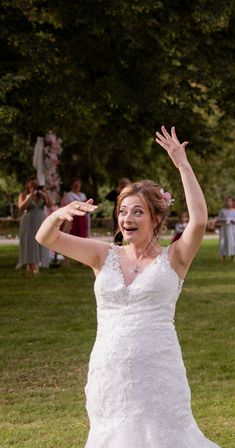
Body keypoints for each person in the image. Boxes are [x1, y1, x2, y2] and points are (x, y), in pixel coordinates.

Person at [35, 126, 219, 447]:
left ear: (155, 218)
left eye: (137, 212)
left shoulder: (175, 257)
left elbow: (199, 221)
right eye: (122, 211)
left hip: (158, 371)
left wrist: (182, 164)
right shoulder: (101, 254)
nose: (127, 218)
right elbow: (46, 238)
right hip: (109, 370)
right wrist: (58, 214)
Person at [16, 178, 53, 273]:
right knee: (30, 241)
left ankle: (38, 263)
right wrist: (29, 197)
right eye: (31, 183)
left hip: (40, 219)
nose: (34, 185)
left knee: (41, 239)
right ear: (27, 185)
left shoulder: (42, 194)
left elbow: (50, 205)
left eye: (35, 183)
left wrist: (45, 194)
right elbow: (21, 207)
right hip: (28, 220)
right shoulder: (23, 194)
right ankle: (30, 264)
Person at [217, 196, 235, 262]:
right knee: (224, 242)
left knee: (233, 242)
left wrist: (234, 221)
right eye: (227, 201)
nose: (229, 203)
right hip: (225, 229)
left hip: (233, 229)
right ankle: (223, 256)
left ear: (232, 202)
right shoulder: (222, 211)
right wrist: (224, 220)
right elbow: (218, 219)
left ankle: (233, 256)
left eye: (230, 201)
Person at [106, 177, 131, 243]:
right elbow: (108, 197)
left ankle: (131, 243)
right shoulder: (117, 193)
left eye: (126, 184)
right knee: (118, 230)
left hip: (130, 213)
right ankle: (118, 245)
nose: (125, 186)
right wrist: (117, 190)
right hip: (118, 214)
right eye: (123, 184)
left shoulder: (132, 193)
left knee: (130, 227)